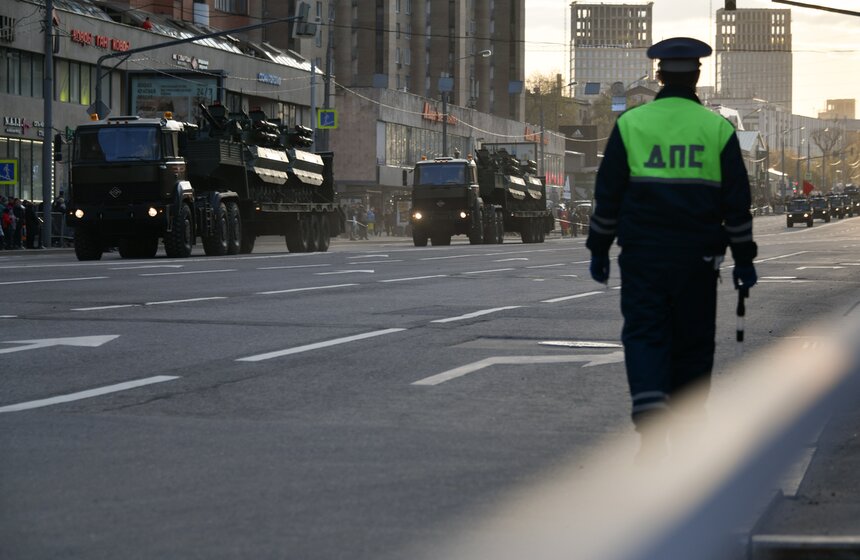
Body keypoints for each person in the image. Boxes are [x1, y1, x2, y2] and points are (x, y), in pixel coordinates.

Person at [585, 37, 758, 461]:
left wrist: (599, 249)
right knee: (693, 341)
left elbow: (608, 194)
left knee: (645, 334)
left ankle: (651, 428)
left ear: (658, 75)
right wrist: (744, 259)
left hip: (642, 254)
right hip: (697, 258)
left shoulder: (631, 125)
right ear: (697, 74)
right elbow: (736, 203)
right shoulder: (718, 129)